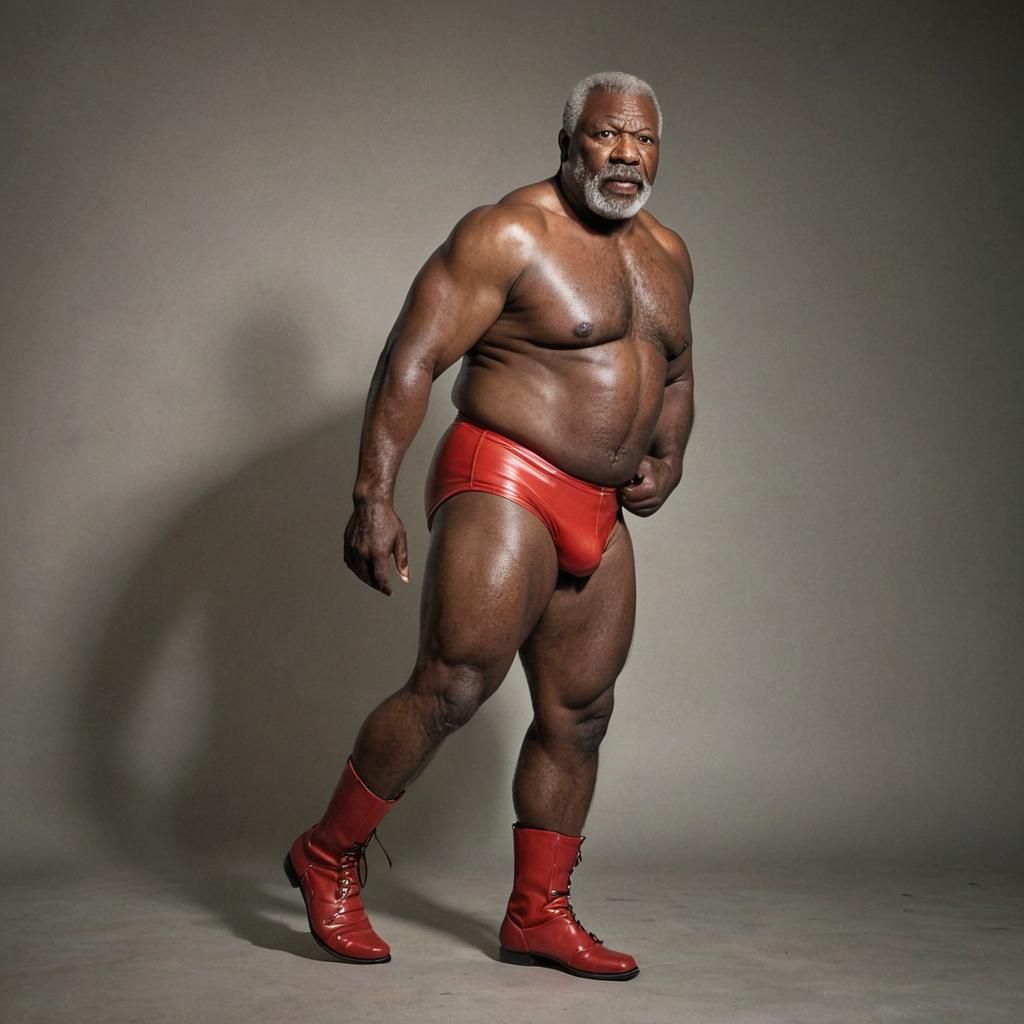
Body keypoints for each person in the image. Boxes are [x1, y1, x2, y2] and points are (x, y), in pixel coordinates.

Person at [285, 71, 694, 982]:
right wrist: (372, 496)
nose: (626, 153)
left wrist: (669, 450)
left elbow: (675, 367)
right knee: (456, 684)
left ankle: (537, 916)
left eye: (644, 140)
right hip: (506, 473)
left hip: (600, 505)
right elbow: (414, 357)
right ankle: (325, 854)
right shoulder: (508, 233)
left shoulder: (666, 254)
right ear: (568, 140)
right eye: (606, 135)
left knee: (581, 714)